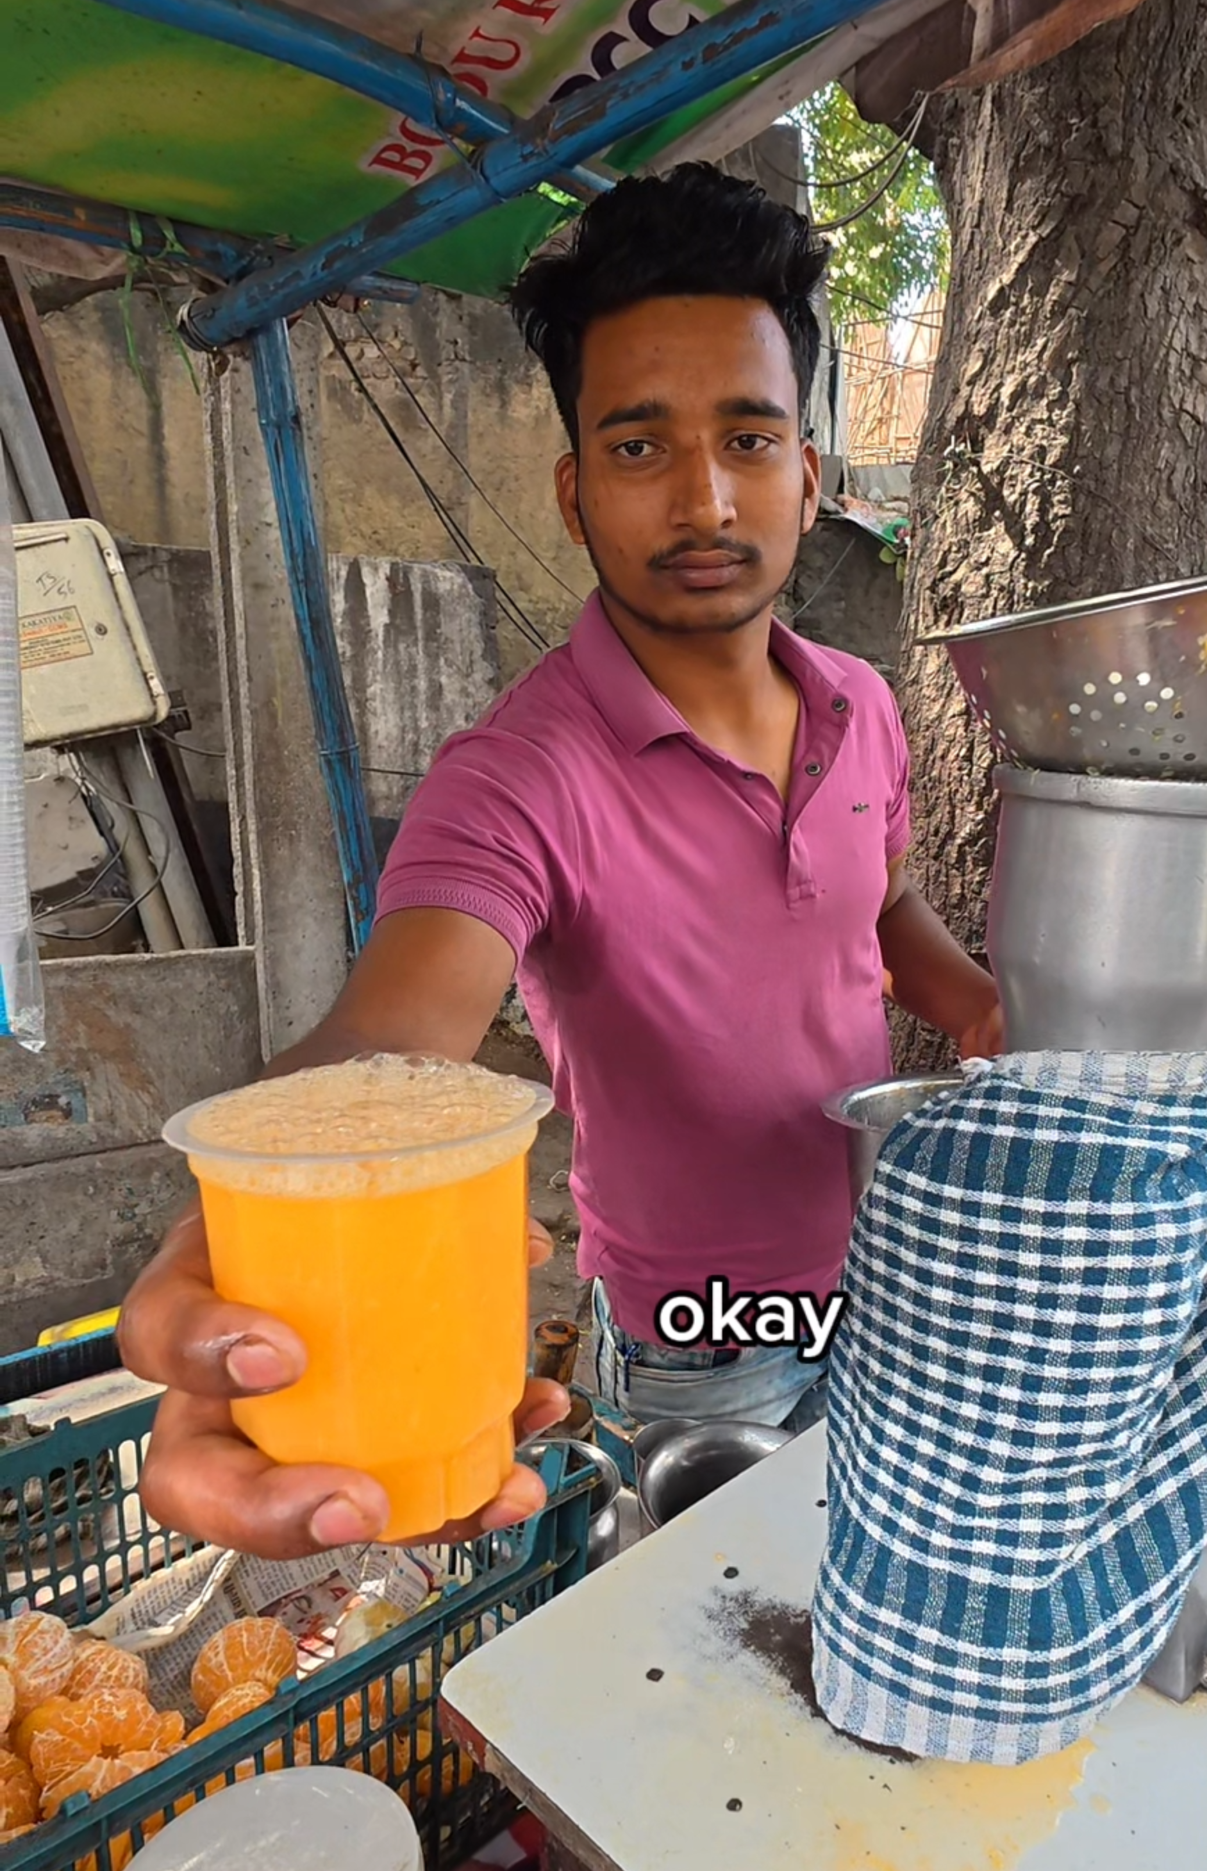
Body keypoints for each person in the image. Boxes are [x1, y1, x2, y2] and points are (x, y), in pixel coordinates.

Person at [117, 163, 1001, 1562]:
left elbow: (878, 900)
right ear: (576, 492)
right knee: (712, 1639)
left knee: (875, 1584)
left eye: (750, 440)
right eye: (642, 448)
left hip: (885, 1267)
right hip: (701, 1333)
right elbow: (389, 1043)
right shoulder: (520, 777)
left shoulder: (862, 704)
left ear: (809, 473)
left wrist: (978, 1009)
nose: (706, 499)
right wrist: (253, 1235)